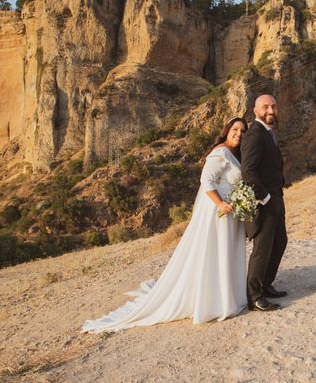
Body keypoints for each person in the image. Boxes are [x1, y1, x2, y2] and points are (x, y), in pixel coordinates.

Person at [83, 118, 249, 333]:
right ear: (226, 131)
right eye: (235, 129)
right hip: (218, 211)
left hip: (230, 210)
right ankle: (215, 302)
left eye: (243, 131)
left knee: (224, 253)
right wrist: (221, 204)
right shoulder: (220, 152)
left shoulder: (232, 155)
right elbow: (206, 181)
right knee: (214, 253)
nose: (239, 133)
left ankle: (228, 296)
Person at [241, 95, 288, 312]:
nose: (271, 110)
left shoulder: (269, 133)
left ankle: (266, 284)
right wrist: (265, 197)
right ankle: (254, 295)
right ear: (256, 110)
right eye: (266, 107)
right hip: (265, 200)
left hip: (276, 197)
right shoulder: (255, 134)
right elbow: (248, 170)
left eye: (273, 106)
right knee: (263, 247)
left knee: (279, 241)